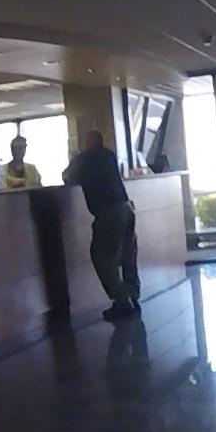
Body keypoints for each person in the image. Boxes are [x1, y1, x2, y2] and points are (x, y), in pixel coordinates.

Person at [64, 130, 141, 320]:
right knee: (128, 255)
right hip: (126, 208)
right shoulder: (109, 155)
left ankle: (122, 300)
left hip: (108, 213)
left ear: (88, 142)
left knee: (102, 257)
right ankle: (133, 294)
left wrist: (75, 159)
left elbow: (68, 177)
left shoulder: (84, 159)